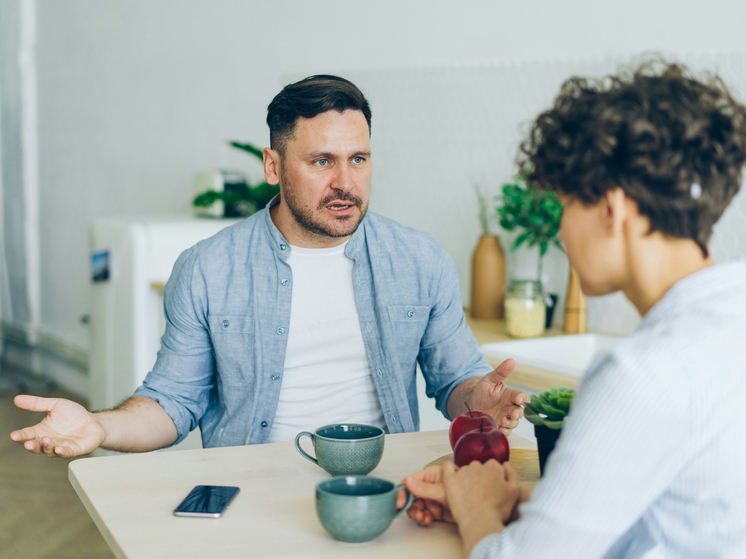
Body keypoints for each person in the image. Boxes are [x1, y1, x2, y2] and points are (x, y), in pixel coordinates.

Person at [10, 75, 527, 458]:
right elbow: (171, 403)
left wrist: (478, 396)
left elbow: (455, 382)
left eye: (359, 159)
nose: (346, 182)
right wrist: (100, 427)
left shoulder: (419, 260)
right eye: (322, 161)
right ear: (274, 166)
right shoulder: (208, 269)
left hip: (382, 486)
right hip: (249, 486)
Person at [399, 60, 746, 558]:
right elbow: (670, 510)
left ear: (613, 209)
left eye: (564, 204)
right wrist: (511, 503)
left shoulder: (645, 374)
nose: (560, 232)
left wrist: (476, 508)